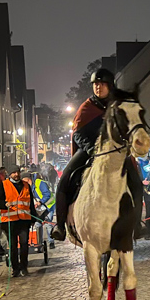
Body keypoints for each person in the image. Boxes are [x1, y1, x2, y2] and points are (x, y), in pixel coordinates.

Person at [53, 68, 114, 240]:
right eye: (95, 84)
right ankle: (60, 226)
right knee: (64, 180)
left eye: (102, 84)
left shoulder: (118, 106)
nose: (98, 87)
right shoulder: (87, 107)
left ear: (110, 86)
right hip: (89, 151)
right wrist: (91, 149)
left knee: (134, 174)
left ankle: (136, 222)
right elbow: (78, 133)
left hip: (113, 150)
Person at [0, 165, 33, 277]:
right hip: (9, 221)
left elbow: (31, 203)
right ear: (9, 174)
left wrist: (33, 218)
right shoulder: (3, 186)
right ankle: (15, 268)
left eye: (17, 172)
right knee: (13, 245)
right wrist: (4, 204)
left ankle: (24, 267)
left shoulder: (26, 185)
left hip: (24, 220)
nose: (16, 174)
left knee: (24, 244)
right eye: (14, 172)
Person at [33, 172, 56, 248]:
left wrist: (41, 202)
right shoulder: (30, 186)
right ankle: (39, 243)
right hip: (40, 207)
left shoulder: (40, 183)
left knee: (48, 224)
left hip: (49, 206)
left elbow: (47, 194)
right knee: (38, 224)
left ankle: (51, 242)